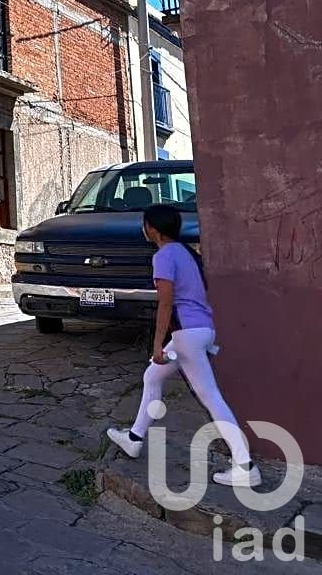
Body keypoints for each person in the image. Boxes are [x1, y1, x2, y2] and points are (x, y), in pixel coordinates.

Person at [106, 204, 259, 487]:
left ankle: (245, 466)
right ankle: (134, 438)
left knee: (211, 397)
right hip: (199, 330)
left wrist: (157, 345)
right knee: (152, 377)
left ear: (152, 229)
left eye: (145, 224)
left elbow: (165, 304)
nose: (144, 228)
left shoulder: (164, 256)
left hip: (186, 334)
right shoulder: (186, 252)